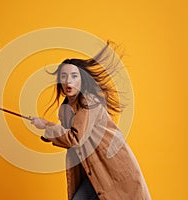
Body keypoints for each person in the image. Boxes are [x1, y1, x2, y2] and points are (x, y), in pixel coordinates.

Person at [30, 42, 151, 200]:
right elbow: (70, 137)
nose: (68, 81)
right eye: (64, 76)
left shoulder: (88, 102)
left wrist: (46, 126)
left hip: (112, 169)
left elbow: (75, 138)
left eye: (74, 76)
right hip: (93, 171)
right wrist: (47, 127)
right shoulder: (65, 108)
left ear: (82, 79)